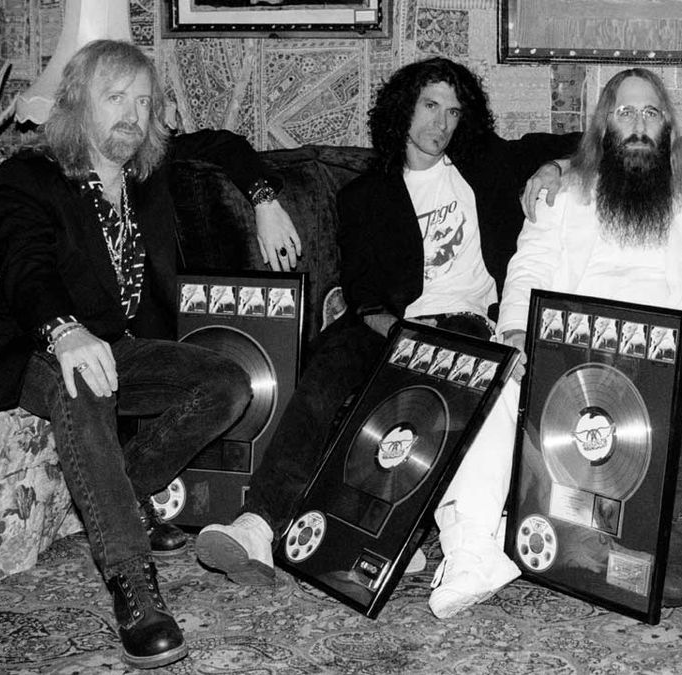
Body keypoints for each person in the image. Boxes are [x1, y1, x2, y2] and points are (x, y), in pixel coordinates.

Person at [0, 40, 301, 669]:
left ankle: (124, 496)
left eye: (144, 102)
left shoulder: (148, 174)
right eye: (116, 99)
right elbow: (27, 266)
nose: (132, 117)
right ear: (79, 104)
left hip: (117, 346)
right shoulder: (27, 178)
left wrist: (266, 199)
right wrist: (65, 331)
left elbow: (223, 145)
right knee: (80, 380)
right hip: (30, 343)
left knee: (227, 384)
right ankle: (132, 581)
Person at [195, 57, 578, 586]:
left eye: (452, 111)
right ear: (403, 110)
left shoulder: (486, 164)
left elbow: (583, 139)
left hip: (466, 323)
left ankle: (391, 534)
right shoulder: (365, 196)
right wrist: (401, 338)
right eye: (429, 106)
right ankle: (257, 526)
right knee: (331, 366)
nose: (441, 124)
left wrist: (555, 167)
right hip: (391, 325)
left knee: (433, 387)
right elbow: (366, 297)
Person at [428, 67, 682, 619]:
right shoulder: (562, 196)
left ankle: (530, 536)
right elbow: (526, 267)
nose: (637, 124)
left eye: (651, 113)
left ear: (668, 130)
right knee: (499, 376)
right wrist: (513, 333)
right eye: (624, 112)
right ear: (604, 125)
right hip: (567, 355)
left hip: (654, 372)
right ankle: (470, 550)